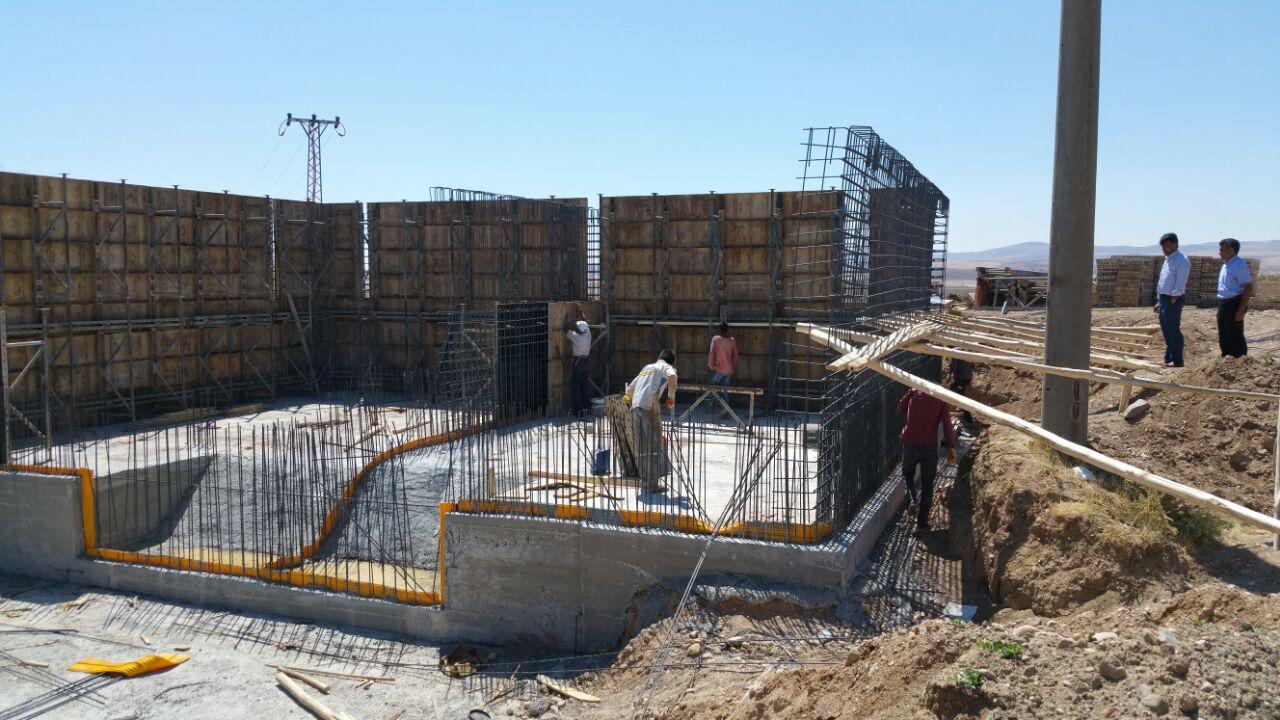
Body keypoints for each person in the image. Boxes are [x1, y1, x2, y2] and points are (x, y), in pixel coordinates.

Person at [897, 388, 956, 534]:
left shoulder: (914, 392)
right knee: (928, 484)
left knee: (907, 474)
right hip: (929, 447)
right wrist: (951, 447)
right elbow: (947, 426)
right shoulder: (941, 399)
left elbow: (900, 408)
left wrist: (910, 393)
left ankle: (911, 500)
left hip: (910, 443)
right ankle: (922, 524)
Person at [624, 350, 679, 493]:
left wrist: (626, 401)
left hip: (635, 407)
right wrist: (671, 397)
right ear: (670, 362)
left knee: (641, 448)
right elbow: (672, 376)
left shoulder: (646, 368)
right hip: (649, 407)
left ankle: (646, 482)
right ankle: (653, 485)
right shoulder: (664, 367)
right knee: (655, 447)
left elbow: (630, 390)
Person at [1154, 232, 1190, 367]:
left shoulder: (1182, 260)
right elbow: (1164, 281)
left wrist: (1174, 299)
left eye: (1167, 246)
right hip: (1164, 298)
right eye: (1163, 247)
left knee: (1173, 329)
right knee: (1166, 329)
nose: (1164, 249)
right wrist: (1159, 300)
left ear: (1175, 245)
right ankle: (1168, 358)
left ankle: (1177, 360)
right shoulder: (1167, 259)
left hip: (1173, 298)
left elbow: (1180, 282)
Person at [1216, 238, 1252, 358]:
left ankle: (1240, 361)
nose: (1219, 252)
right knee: (1224, 334)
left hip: (1234, 304)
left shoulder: (1239, 264)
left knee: (1234, 335)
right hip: (1223, 304)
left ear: (1231, 250)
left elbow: (1247, 287)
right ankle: (1226, 359)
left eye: (1222, 250)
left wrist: (1241, 309)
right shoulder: (1226, 264)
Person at [566, 309, 592, 418]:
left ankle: (579, 411)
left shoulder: (577, 337)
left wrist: (567, 321)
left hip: (578, 363)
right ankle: (587, 408)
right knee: (584, 386)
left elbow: (567, 331)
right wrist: (581, 313)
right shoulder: (588, 334)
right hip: (586, 362)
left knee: (576, 387)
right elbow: (585, 323)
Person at [707, 322, 738, 386]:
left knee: (711, 387)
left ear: (719, 330)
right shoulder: (732, 340)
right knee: (725, 390)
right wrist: (730, 365)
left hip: (719, 369)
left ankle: (713, 396)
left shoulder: (716, 339)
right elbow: (735, 356)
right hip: (729, 370)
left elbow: (711, 353)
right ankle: (721, 396)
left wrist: (711, 365)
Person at [947, 358, 975, 423]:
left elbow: (953, 367)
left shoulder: (954, 353)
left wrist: (949, 376)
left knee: (957, 395)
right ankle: (958, 409)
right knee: (956, 391)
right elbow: (973, 365)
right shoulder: (964, 352)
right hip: (967, 379)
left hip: (960, 378)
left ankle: (968, 418)